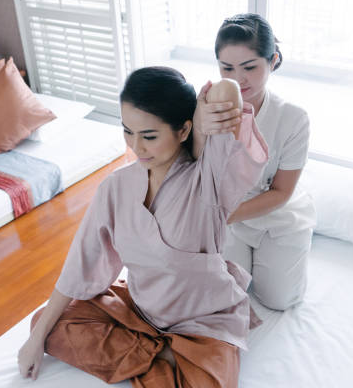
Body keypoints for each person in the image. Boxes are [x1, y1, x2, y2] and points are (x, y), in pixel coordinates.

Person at [17, 66, 268, 388]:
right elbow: (82, 263)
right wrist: (35, 340)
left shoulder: (210, 181)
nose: (137, 146)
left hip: (202, 320)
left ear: (182, 130)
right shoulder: (115, 186)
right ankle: (164, 356)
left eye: (149, 136)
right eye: (127, 131)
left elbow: (226, 90)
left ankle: (166, 355)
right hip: (140, 310)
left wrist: (203, 123)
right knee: (46, 323)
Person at [193, 13, 316, 311]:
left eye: (250, 67)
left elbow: (280, 193)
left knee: (279, 300)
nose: (238, 79)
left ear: (272, 61)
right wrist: (198, 121)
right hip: (228, 213)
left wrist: (223, 216)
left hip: (274, 213)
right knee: (228, 291)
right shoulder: (208, 106)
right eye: (227, 68)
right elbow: (192, 167)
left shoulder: (293, 118)